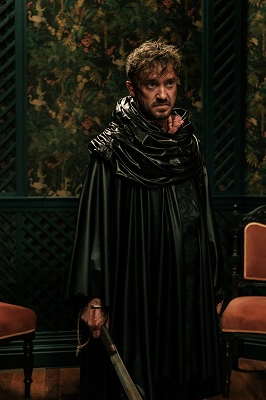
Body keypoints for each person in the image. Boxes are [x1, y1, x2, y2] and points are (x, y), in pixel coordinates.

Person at [66, 40, 224, 400]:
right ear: (133, 89)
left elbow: (205, 219)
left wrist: (213, 287)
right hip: (134, 285)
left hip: (184, 286)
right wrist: (94, 298)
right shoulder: (112, 148)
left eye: (169, 83)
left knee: (178, 378)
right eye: (152, 85)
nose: (162, 94)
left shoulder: (188, 146)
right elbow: (94, 226)